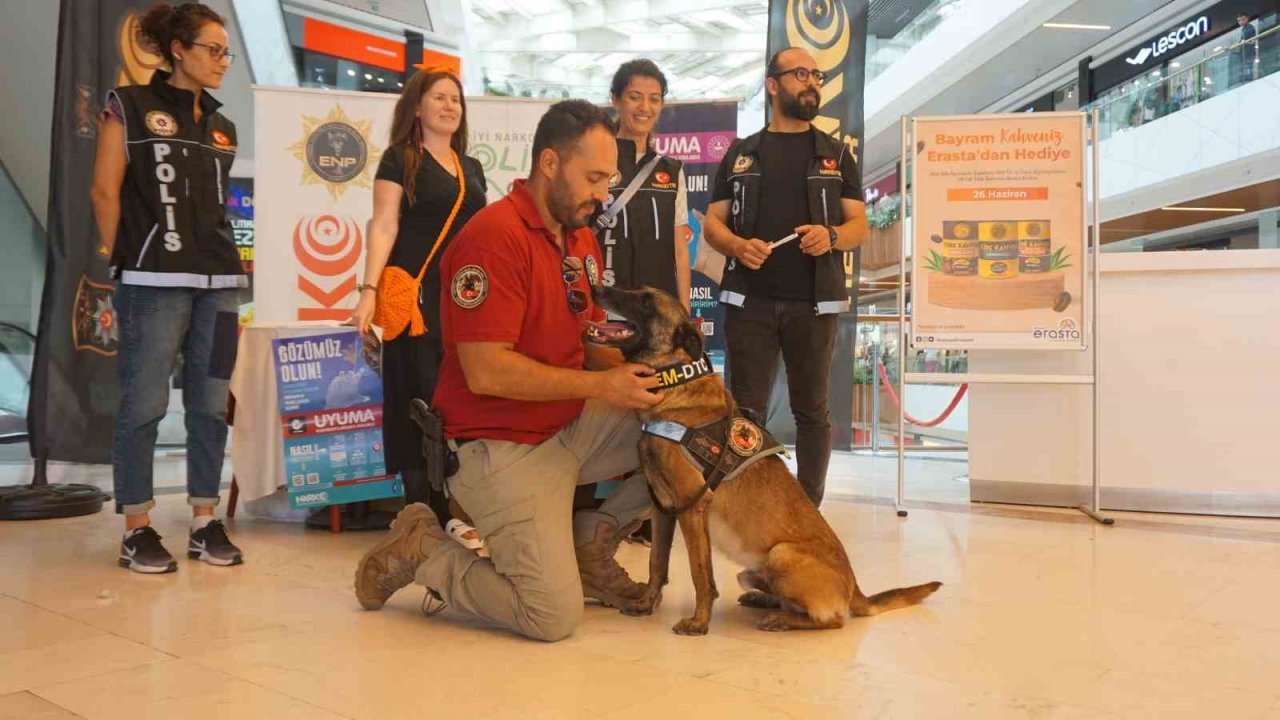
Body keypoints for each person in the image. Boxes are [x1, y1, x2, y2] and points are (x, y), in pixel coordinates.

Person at [355, 100, 662, 642]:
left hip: (568, 424)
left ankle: (592, 542)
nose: (602, 193)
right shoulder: (492, 237)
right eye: (593, 177)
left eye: (607, 179)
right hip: (498, 446)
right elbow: (487, 372)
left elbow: (588, 338)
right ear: (549, 163)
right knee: (551, 617)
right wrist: (602, 385)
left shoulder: (578, 235)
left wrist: (650, 381)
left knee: (686, 432)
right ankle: (422, 547)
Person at [91, 2, 244, 573]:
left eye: (226, 51)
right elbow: (104, 192)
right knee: (146, 402)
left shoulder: (223, 124)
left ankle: (205, 521)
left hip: (223, 284)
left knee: (209, 404)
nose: (222, 61)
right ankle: (137, 526)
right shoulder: (128, 106)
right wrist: (125, 258)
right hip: (153, 281)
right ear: (178, 49)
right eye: (212, 49)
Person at [702, 47, 868, 507]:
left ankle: (807, 509)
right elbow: (713, 224)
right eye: (800, 74)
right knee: (744, 413)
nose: (811, 82)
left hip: (814, 304)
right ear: (773, 85)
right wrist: (736, 245)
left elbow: (859, 227)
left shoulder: (835, 155)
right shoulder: (741, 153)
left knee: (812, 412)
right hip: (748, 303)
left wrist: (831, 235)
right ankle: (747, 505)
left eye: (816, 74)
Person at [349, 69, 488, 551]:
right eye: (439, 98)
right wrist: (368, 290)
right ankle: (426, 514)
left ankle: (459, 505)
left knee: (458, 400)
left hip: (462, 300)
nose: (450, 106)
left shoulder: (471, 169)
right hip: (415, 299)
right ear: (417, 107)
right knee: (419, 400)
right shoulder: (400, 159)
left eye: (456, 99)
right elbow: (383, 226)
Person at [600, 59, 691, 307]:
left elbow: (680, 251)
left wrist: (685, 314)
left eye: (654, 98)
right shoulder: (595, 160)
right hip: (605, 304)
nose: (645, 107)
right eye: (635, 97)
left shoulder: (671, 170)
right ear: (615, 99)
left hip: (657, 313)